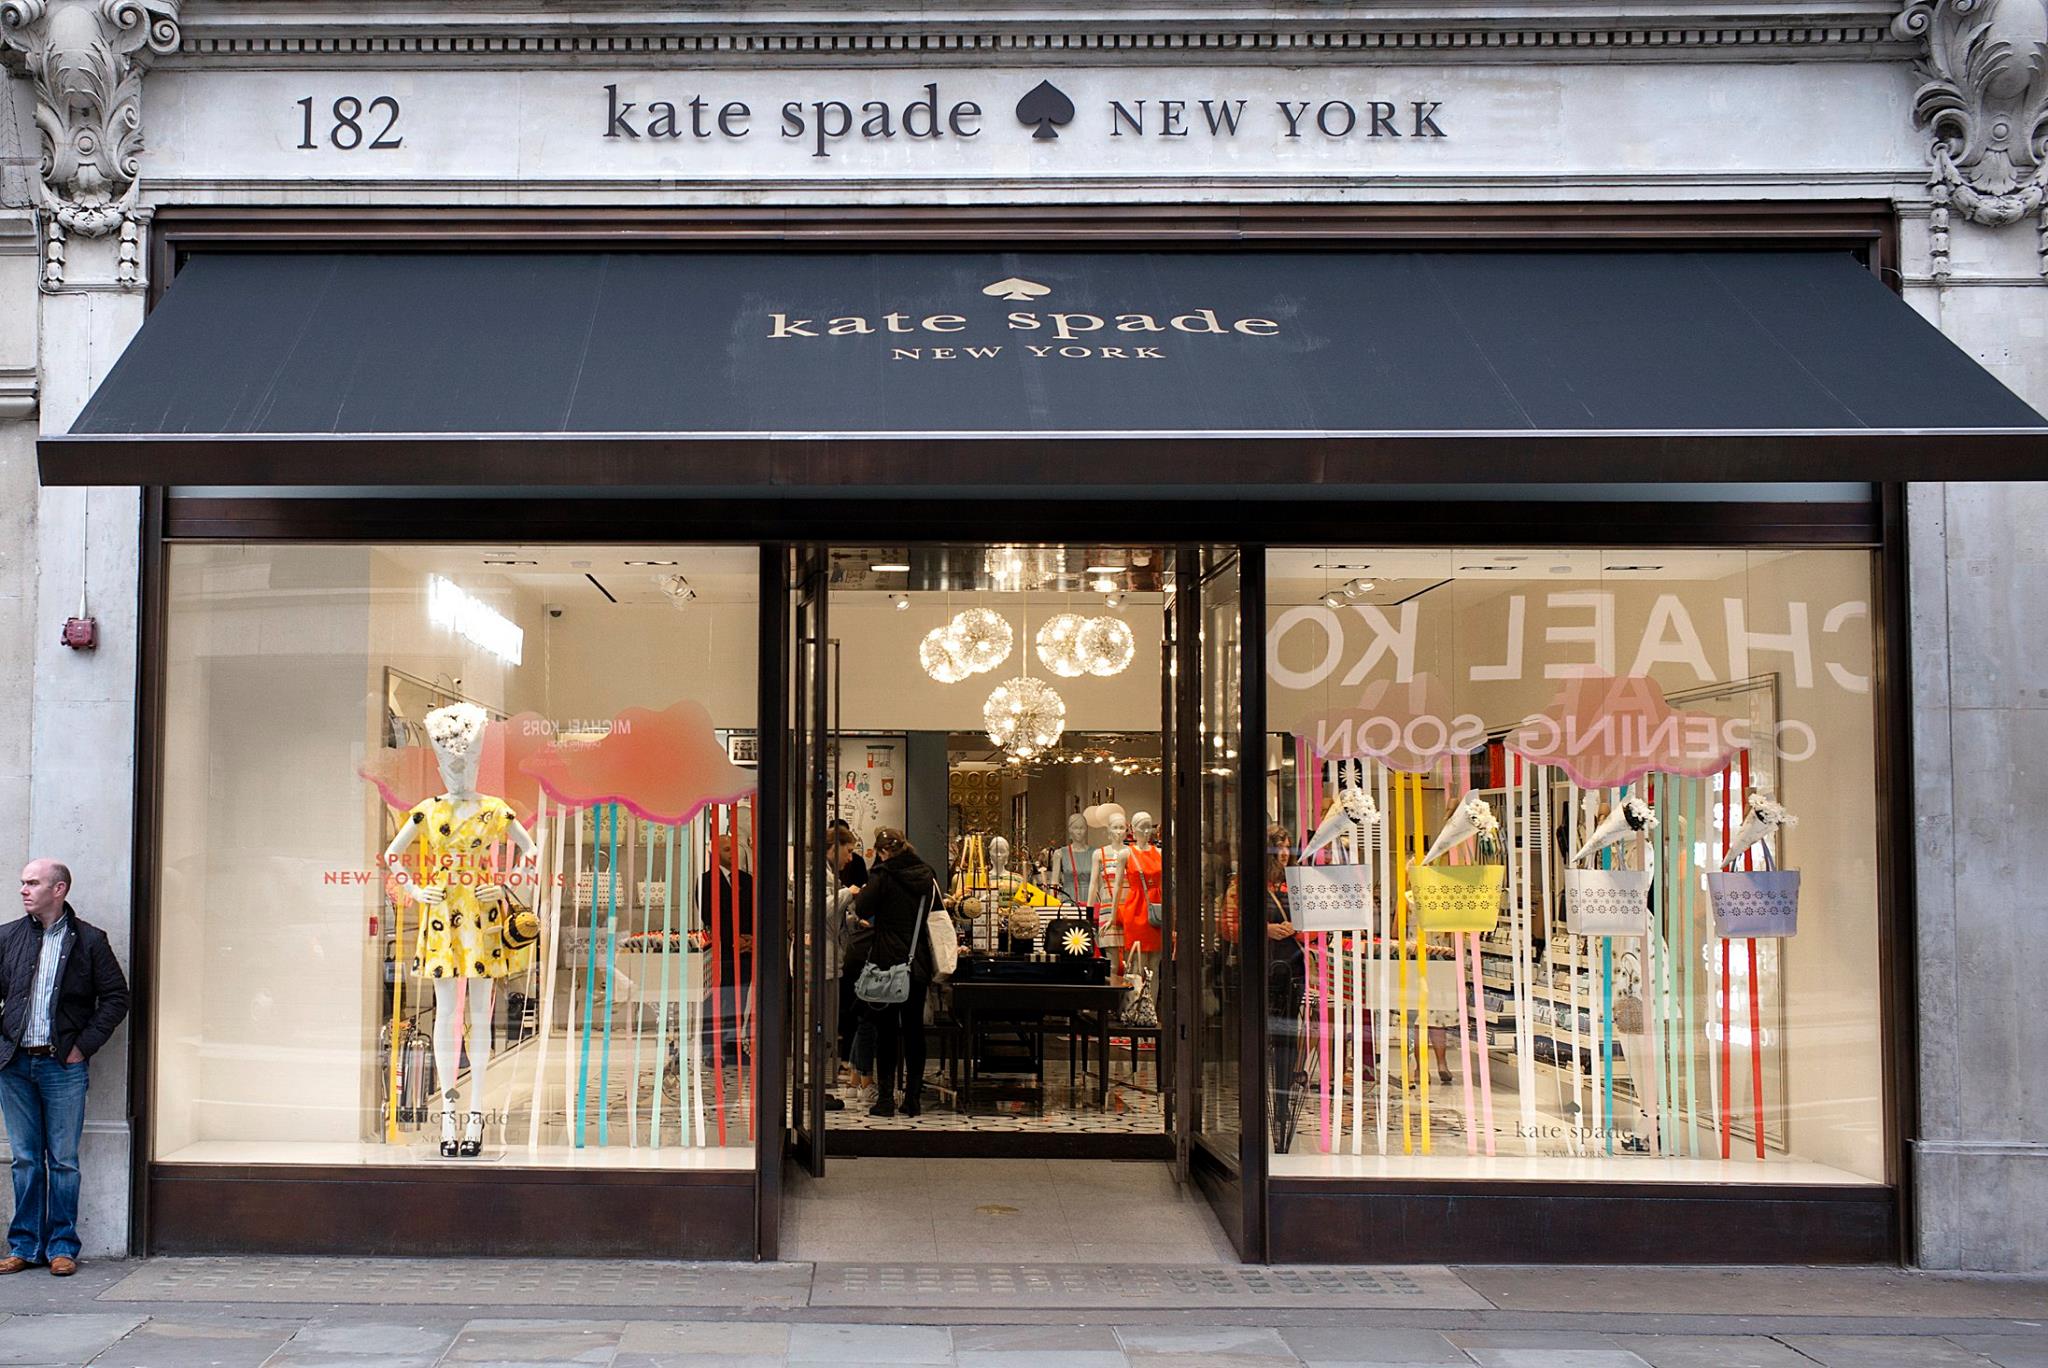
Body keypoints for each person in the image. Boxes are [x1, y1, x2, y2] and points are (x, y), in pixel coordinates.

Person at [0, 861, 129, 1276]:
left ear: (59, 889)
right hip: (15, 1063)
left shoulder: (89, 940)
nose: (23, 889)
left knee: (64, 1160)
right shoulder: (8, 936)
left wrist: (82, 1047)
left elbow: (115, 998)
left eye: (33, 883)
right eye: (22, 882)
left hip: (62, 1065)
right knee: (24, 1158)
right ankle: (23, 1245)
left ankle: (61, 1247)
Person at [852, 828, 939, 1118]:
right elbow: (936, 914)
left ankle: (886, 1099)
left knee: (886, 1032)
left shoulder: (883, 875)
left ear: (882, 851)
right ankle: (912, 1099)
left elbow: (862, 908)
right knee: (914, 1031)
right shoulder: (927, 874)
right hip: (917, 963)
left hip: (887, 962)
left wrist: (875, 876)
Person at [699, 825, 755, 1062]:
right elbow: (709, 915)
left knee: (740, 997)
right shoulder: (705, 881)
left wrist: (750, 938)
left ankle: (733, 1046)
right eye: (725, 848)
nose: (732, 852)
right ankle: (712, 1049)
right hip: (721, 951)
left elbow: (754, 911)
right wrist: (733, 939)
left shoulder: (747, 880)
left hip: (745, 950)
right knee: (716, 999)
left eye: (733, 847)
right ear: (714, 851)